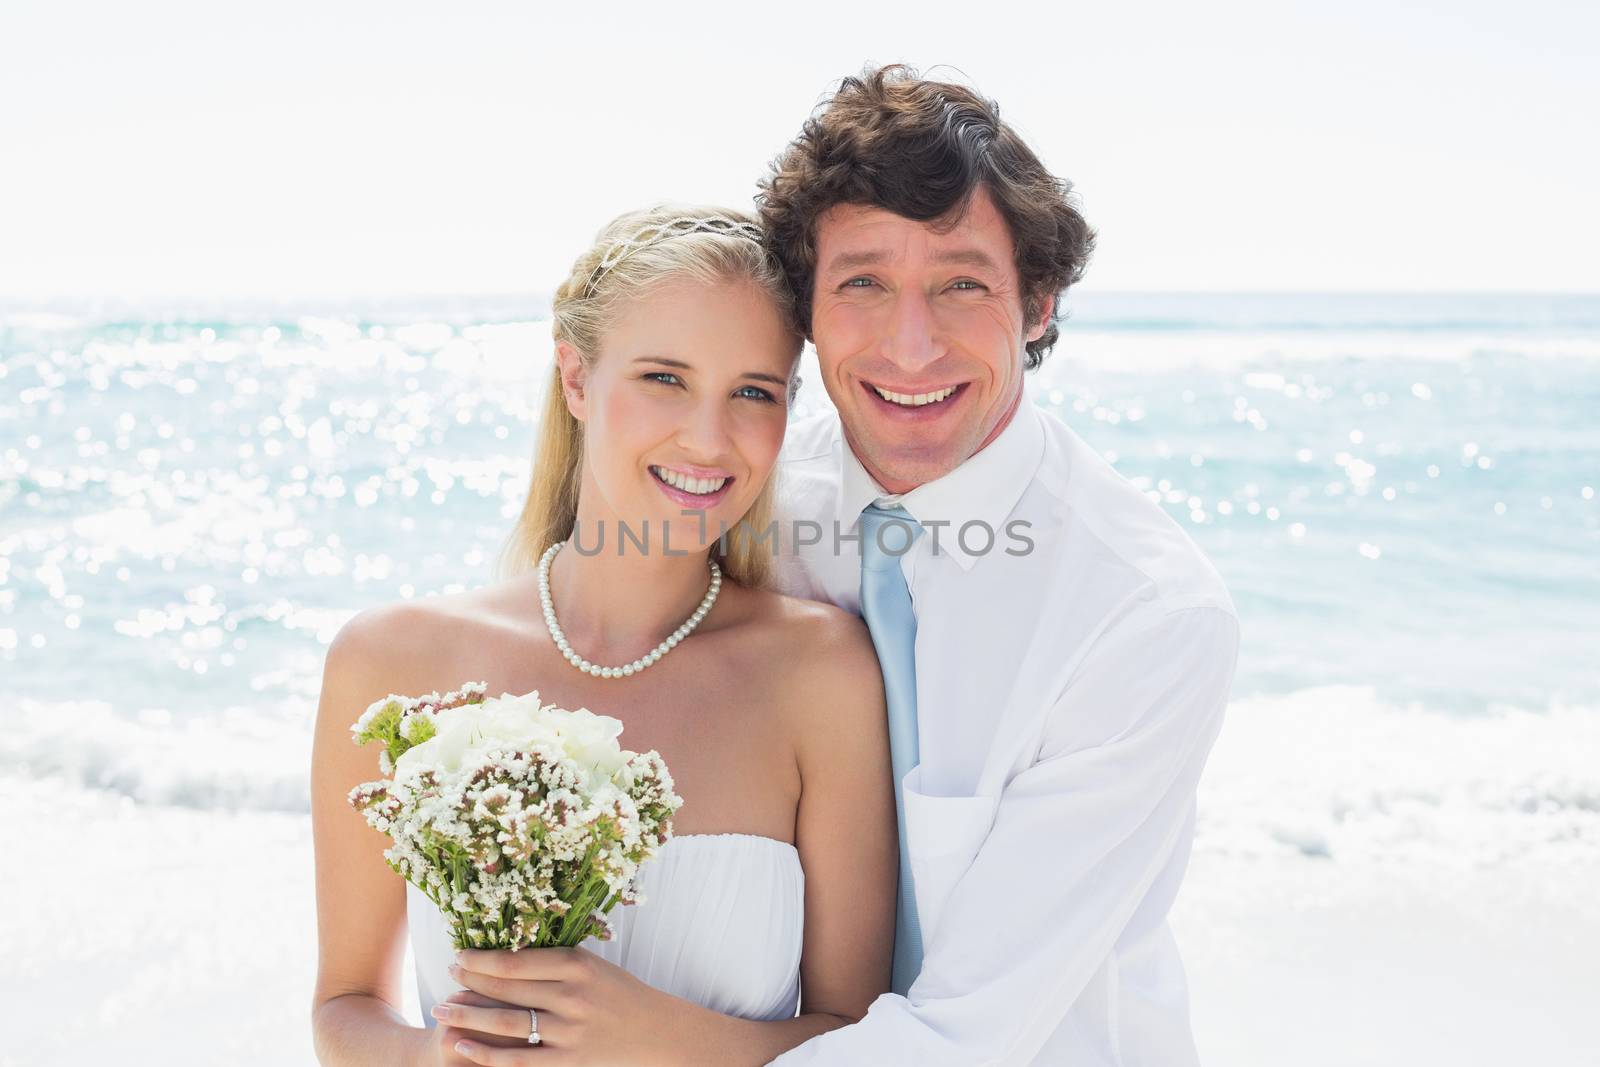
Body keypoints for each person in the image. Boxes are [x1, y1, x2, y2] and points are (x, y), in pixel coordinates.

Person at [308, 204, 897, 1066]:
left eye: (753, 392)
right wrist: (438, 1057)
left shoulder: (822, 675)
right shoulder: (389, 662)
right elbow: (344, 1006)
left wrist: (658, 1039)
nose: (708, 436)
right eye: (664, 377)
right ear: (575, 378)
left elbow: (862, 1038)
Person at [759, 66, 1241, 1065]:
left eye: (961, 283)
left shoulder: (1145, 613)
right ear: (803, 305)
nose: (910, 344)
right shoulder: (748, 520)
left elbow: (963, 1035)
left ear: (1037, 301)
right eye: (861, 282)